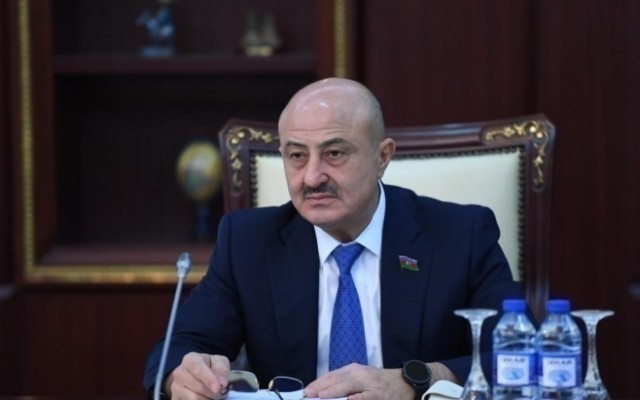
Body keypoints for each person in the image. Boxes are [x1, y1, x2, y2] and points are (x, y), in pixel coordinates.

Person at [143, 78, 525, 399]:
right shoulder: (248, 242)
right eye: (296, 155)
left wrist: (417, 379)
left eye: (335, 153)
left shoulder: (461, 236)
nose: (312, 177)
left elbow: (520, 355)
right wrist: (183, 374)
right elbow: (176, 350)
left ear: (382, 157)